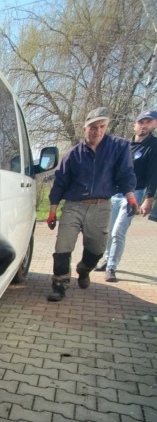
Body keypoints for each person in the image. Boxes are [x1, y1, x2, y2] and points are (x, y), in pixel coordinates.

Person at [45, 107, 136, 302]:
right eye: (93, 127)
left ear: (106, 127)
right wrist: (53, 211)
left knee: (97, 249)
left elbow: (126, 174)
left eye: (102, 126)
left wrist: (130, 197)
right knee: (63, 246)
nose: (98, 131)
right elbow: (60, 182)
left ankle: (84, 269)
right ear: (85, 128)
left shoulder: (118, 147)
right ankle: (59, 285)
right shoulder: (73, 154)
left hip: (101, 206)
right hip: (74, 206)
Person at [95, 108, 157, 281]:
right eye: (141, 122)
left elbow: (154, 175)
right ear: (135, 125)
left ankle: (112, 267)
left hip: (134, 194)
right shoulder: (124, 145)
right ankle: (107, 260)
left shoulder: (153, 146)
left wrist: (148, 199)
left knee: (118, 231)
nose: (144, 126)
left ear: (154, 124)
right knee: (108, 230)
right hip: (114, 193)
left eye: (148, 122)